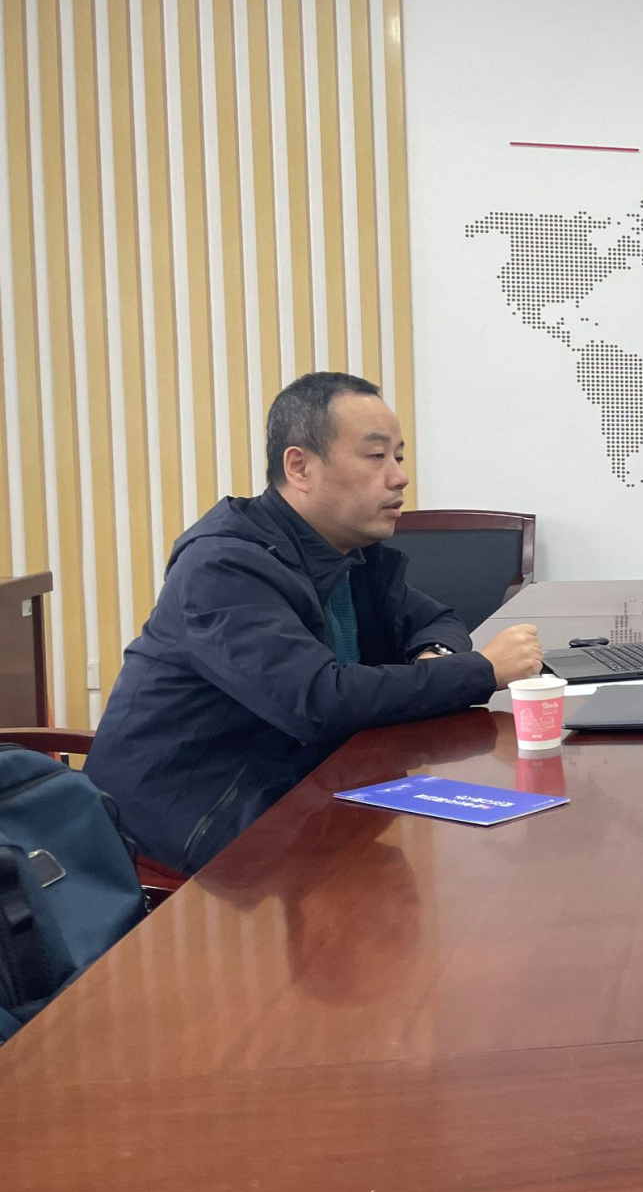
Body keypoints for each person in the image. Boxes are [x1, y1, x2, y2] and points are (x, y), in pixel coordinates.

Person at [86, 372, 544, 874]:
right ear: (300, 466)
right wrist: (482, 671)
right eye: (376, 456)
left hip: (298, 785)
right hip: (190, 813)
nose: (399, 477)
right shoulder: (224, 566)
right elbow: (318, 702)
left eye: (399, 456)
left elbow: (435, 619)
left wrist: (437, 657)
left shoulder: (346, 551)